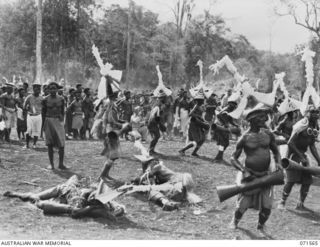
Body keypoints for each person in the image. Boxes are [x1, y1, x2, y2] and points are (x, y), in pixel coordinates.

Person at [229, 105, 281, 230]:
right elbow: (233, 157)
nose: (265, 120)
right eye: (261, 118)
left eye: (265, 117)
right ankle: (235, 221)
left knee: (267, 206)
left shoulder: (268, 134)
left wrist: (278, 163)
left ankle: (260, 226)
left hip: (266, 175)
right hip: (250, 175)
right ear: (252, 120)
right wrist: (243, 170)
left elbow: (276, 151)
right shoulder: (245, 138)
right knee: (242, 205)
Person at [3, 175, 125, 219]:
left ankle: (27, 195)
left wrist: (89, 208)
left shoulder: (99, 205)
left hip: (68, 193)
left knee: (39, 202)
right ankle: (27, 195)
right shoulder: (97, 199)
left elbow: (76, 213)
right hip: (67, 190)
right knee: (39, 197)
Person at [127, 148, 202, 211]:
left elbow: (143, 178)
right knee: (152, 189)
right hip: (178, 182)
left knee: (151, 190)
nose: (145, 165)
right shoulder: (155, 169)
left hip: (176, 181)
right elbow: (147, 179)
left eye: (145, 164)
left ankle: (166, 202)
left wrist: (136, 182)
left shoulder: (157, 167)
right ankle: (174, 201)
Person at [278, 105, 320, 210]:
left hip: (303, 156)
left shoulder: (314, 127)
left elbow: (312, 146)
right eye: (313, 112)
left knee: (307, 181)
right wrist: (301, 157)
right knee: (291, 180)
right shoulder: (300, 125)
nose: (316, 114)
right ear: (306, 113)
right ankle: (282, 202)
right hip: (293, 155)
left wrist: (319, 160)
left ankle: (300, 204)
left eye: (317, 112)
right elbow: (290, 143)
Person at [42, 82, 67, 170]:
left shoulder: (61, 99)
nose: (52, 90)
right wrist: (43, 126)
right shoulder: (45, 99)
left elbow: (63, 111)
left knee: (61, 143)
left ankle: (61, 164)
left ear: (57, 89)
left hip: (58, 121)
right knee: (49, 144)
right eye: (51, 88)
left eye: (54, 88)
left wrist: (63, 122)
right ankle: (51, 164)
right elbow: (43, 113)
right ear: (48, 89)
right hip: (48, 120)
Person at [178, 89, 209, 157]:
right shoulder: (196, 106)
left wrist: (203, 120)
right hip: (194, 124)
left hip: (199, 124)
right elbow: (190, 114)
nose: (203, 101)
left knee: (202, 139)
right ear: (199, 101)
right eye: (202, 100)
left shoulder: (200, 106)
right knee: (196, 140)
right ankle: (182, 150)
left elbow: (200, 115)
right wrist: (198, 117)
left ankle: (194, 152)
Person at [23, 83, 43, 149]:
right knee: (29, 130)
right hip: (30, 116)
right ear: (33, 89)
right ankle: (27, 144)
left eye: (39, 89)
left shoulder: (41, 98)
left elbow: (44, 106)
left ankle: (34, 144)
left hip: (38, 116)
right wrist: (27, 108)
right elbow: (24, 106)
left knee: (37, 131)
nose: (37, 90)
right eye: (36, 89)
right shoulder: (29, 97)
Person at [147, 90, 167, 155]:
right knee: (157, 136)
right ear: (162, 98)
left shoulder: (158, 103)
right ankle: (150, 150)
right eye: (164, 97)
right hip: (153, 122)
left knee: (156, 136)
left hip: (152, 122)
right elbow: (156, 116)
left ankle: (151, 150)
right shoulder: (159, 105)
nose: (166, 99)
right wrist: (160, 124)